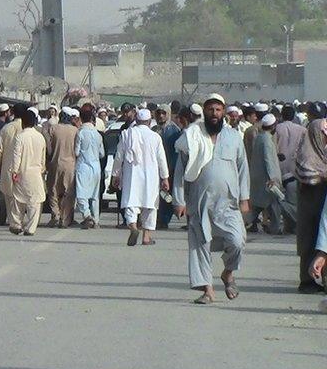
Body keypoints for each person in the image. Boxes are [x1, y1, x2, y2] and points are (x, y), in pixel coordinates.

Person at [173, 94, 249, 304]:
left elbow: (242, 169)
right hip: (199, 201)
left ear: (223, 112)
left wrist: (245, 198)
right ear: (204, 112)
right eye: (210, 110)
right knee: (200, 245)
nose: (214, 114)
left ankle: (228, 273)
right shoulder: (192, 135)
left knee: (237, 241)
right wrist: (179, 200)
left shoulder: (234, 137)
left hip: (229, 203)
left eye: (218, 110)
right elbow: (180, 171)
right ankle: (208, 290)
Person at [113, 109, 169, 246]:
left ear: (136, 121)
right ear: (149, 122)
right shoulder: (155, 137)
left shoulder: (127, 134)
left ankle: (133, 226)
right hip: (151, 175)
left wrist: (116, 174)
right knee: (150, 205)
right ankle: (146, 237)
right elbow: (162, 159)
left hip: (132, 174)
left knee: (131, 201)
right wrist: (165, 177)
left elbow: (118, 156)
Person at [295, 111, 327, 293]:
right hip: (310, 206)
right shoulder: (308, 152)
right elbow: (307, 173)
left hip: (323, 205)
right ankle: (306, 280)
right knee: (309, 242)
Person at [10, 109, 47, 236]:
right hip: (36, 173)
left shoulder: (20, 137)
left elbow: (16, 156)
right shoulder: (40, 137)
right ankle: (31, 228)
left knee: (17, 200)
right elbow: (43, 159)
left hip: (21, 173)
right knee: (34, 202)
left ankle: (16, 224)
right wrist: (41, 170)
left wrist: (14, 171)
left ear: (23, 123)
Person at [247, 114, 285, 234]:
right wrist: (273, 177)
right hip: (266, 179)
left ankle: (245, 222)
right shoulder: (267, 140)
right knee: (273, 204)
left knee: (257, 205)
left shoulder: (260, 137)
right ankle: (275, 228)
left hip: (257, 177)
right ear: (273, 126)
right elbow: (268, 160)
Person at [46, 108, 79, 228]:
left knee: (53, 190)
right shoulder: (75, 130)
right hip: (70, 164)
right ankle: (64, 219)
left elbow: (48, 148)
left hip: (55, 163)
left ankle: (55, 214)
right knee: (68, 192)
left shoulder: (53, 129)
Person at [75, 105, 105, 229]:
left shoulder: (81, 133)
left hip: (83, 166)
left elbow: (76, 152)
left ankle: (87, 216)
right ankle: (96, 220)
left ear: (81, 119)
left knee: (81, 194)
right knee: (94, 196)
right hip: (96, 166)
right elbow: (102, 153)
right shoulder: (98, 135)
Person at [275, 105, 304, 234]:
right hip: (295, 168)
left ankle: (289, 225)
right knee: (293, 200)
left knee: (282, 198)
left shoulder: (277, 128)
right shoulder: (302, 130)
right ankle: (291, 225)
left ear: (282, 115)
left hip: (279, 167)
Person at [0, 106, 24, 232]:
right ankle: (21, 220)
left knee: (9, 196)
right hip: (24, 167)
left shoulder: (6, 128)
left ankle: (14, 222)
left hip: (8, 167)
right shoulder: (28, 129)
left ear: (12, 113)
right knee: (23, 196)